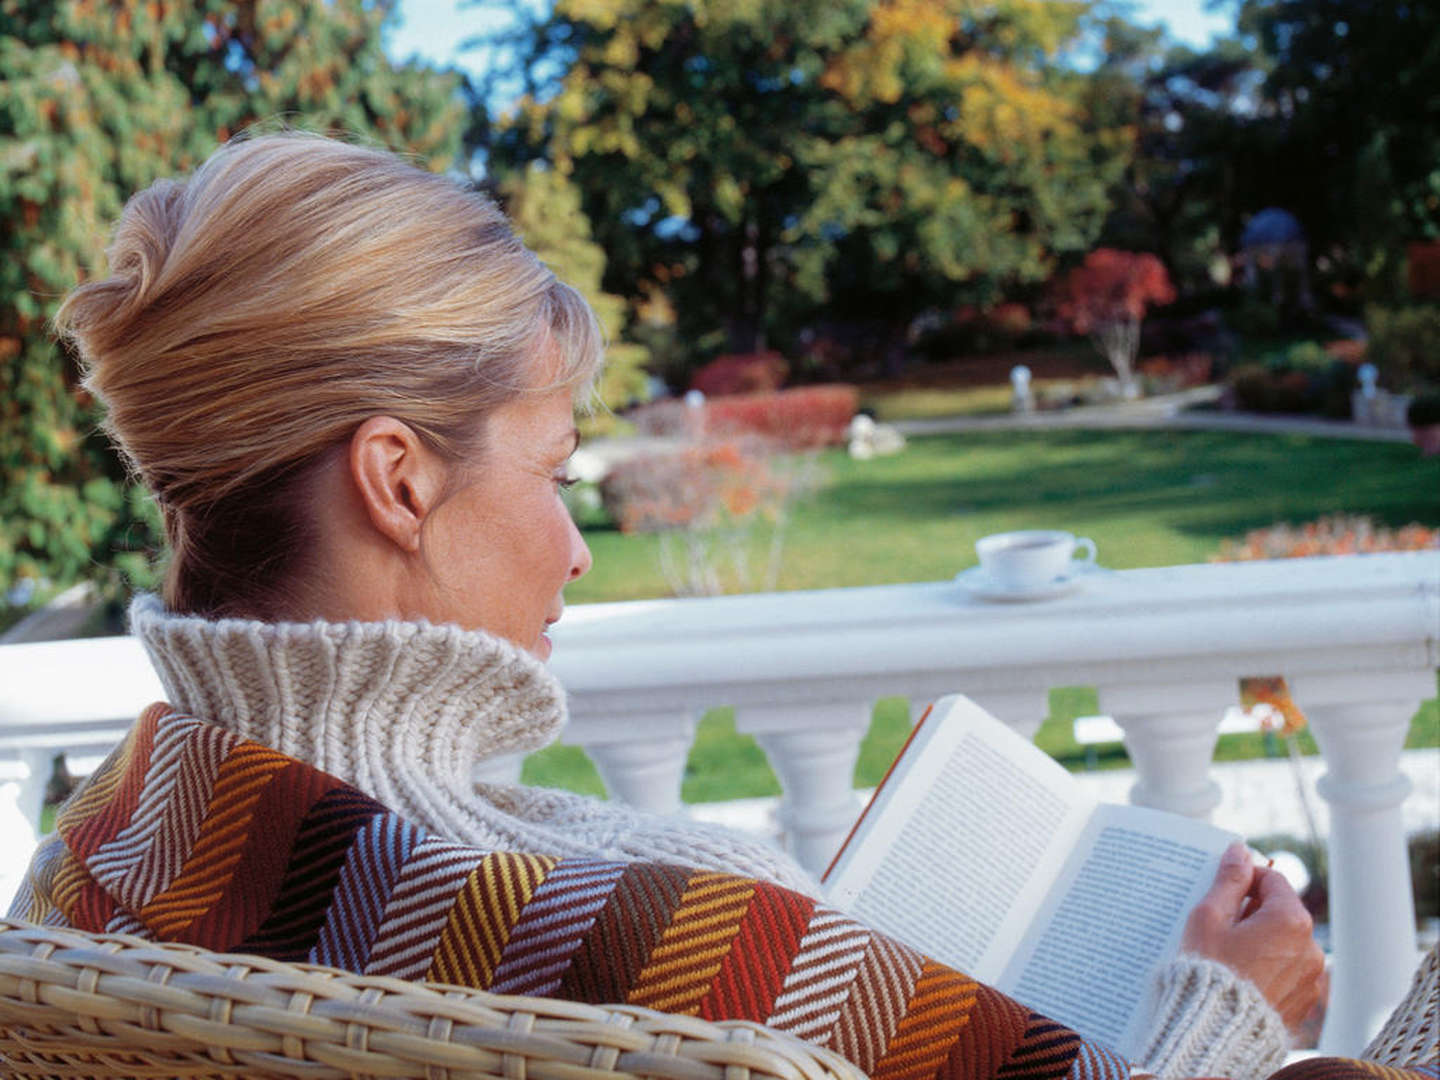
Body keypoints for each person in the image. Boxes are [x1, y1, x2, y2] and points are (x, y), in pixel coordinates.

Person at [11, 133, 1323, 1079]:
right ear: (397, 481)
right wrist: (1226, 1015)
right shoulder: (685, 933)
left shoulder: (85, 878)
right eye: (556, 473)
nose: (578, 550)